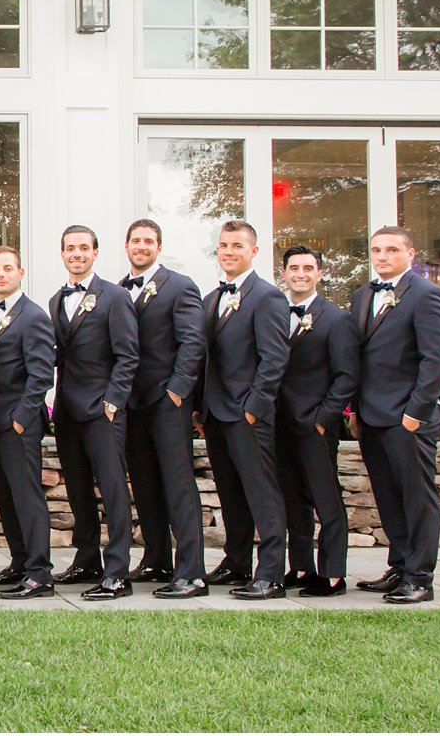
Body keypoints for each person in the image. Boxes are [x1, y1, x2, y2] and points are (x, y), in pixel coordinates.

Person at [350, 226, 440, 605]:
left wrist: (416, 413)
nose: (382, 256)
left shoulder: (428, 296)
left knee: (417, 497)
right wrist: (355, 409)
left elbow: (437, 358)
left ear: (410, 254)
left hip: (408, 417)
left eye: (392, 249)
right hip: (371, 414)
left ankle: (420, 577)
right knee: (388, 496)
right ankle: (399, 566)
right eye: (377, 249)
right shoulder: (363, 295)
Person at [198, 220, 291, 600]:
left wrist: (254, 407)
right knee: (230, 492)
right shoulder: (211, 299)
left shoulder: (267, 297)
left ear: (253, 251)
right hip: (215, 414)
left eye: (237, 245)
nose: (229, 252)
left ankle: (270, 573)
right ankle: (236, 561)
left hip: (247, 414)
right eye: (223, 245)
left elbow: (274, 358)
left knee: (262, 493)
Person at [117, 219, 209, 600]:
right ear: (126, 246)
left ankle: (192, 573)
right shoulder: (119, 290)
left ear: (159, 246)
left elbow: (192, 343)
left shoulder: (180, 287)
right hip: (131, 402)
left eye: (148, 241)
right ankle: (157, 558)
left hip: (166, 401)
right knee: (144, 482)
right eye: (135, 240)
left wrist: (177, 393)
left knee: (178, 484)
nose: (141, 246)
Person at [48, 225, 139, 601]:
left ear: (96, 253)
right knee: (78, 488)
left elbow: (128, 354)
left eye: (83, 248)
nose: (77, 254)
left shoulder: (115, 297)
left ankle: (117, 572)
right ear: (63, 254)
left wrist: (113, 400)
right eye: (70, 248)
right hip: (68, 410)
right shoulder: (56, 300)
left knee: (113, 489)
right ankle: (87, 559)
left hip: (103, 409)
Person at [0, 245, 57, 600]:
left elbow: (41, 375)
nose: (1, 274)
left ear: (21, 273)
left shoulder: (33, 316)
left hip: (17, 424)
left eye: (8, 268)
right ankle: (20, 562)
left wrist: (22, 419)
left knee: (27, 496)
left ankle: (40, 573)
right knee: (6, 495)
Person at [276, 245, 358, 597]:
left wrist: (324, 419)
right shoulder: (276, 312)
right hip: (278, 422)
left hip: (314, 424)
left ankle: (333, 573)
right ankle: (301, 565)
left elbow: (346, 376)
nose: (300, 274)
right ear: (284, 273)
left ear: (319, 273)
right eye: (294, 268)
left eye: (308, 268)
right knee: (292, 498)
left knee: (326, 498)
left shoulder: (336, 319)